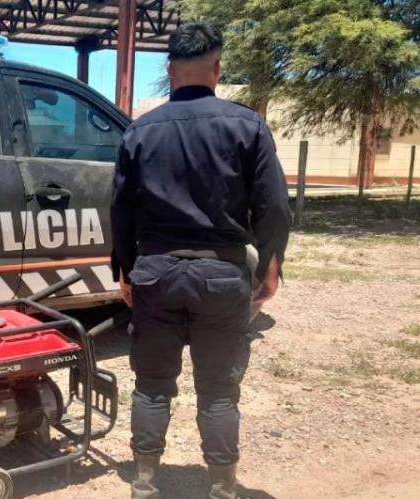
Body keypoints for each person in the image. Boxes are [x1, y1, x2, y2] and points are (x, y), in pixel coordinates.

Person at [110, 22, 291, 499]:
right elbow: (273, 205)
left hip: (156, 272)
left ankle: (145, 484)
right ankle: (223, 488)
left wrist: (125, 269)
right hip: (221, 275)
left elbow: (121, 208)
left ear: (169, 70)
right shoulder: (247, 124)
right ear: (217, 69)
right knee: (217, 390)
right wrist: (270, 267)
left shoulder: (140, 130)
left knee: (151, 384)